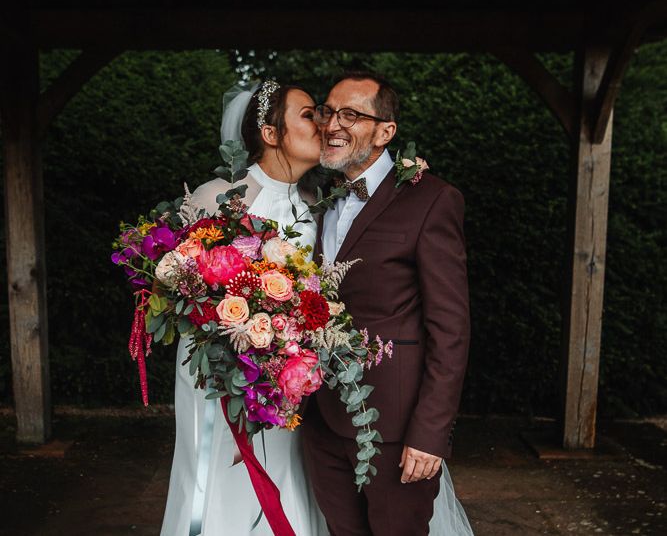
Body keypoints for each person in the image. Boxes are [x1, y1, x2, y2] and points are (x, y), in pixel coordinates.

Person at [302, 71, 474, 535]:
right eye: (328, 111)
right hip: (322, 421)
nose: (332, 124)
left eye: (351, 115)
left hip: (396, 428)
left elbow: (450, 330)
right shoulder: (319, 199)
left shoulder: (432, 200)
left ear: (385, 132)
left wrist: (430, 434)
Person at [160, 80, 328, 536]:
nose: (323, 124)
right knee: (215, 472)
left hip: (284, 374)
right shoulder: (218, 196)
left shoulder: (317, 205)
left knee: (286, 464)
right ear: (271, 134)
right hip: (217, 372)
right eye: (309, 114)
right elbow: (177, 283)